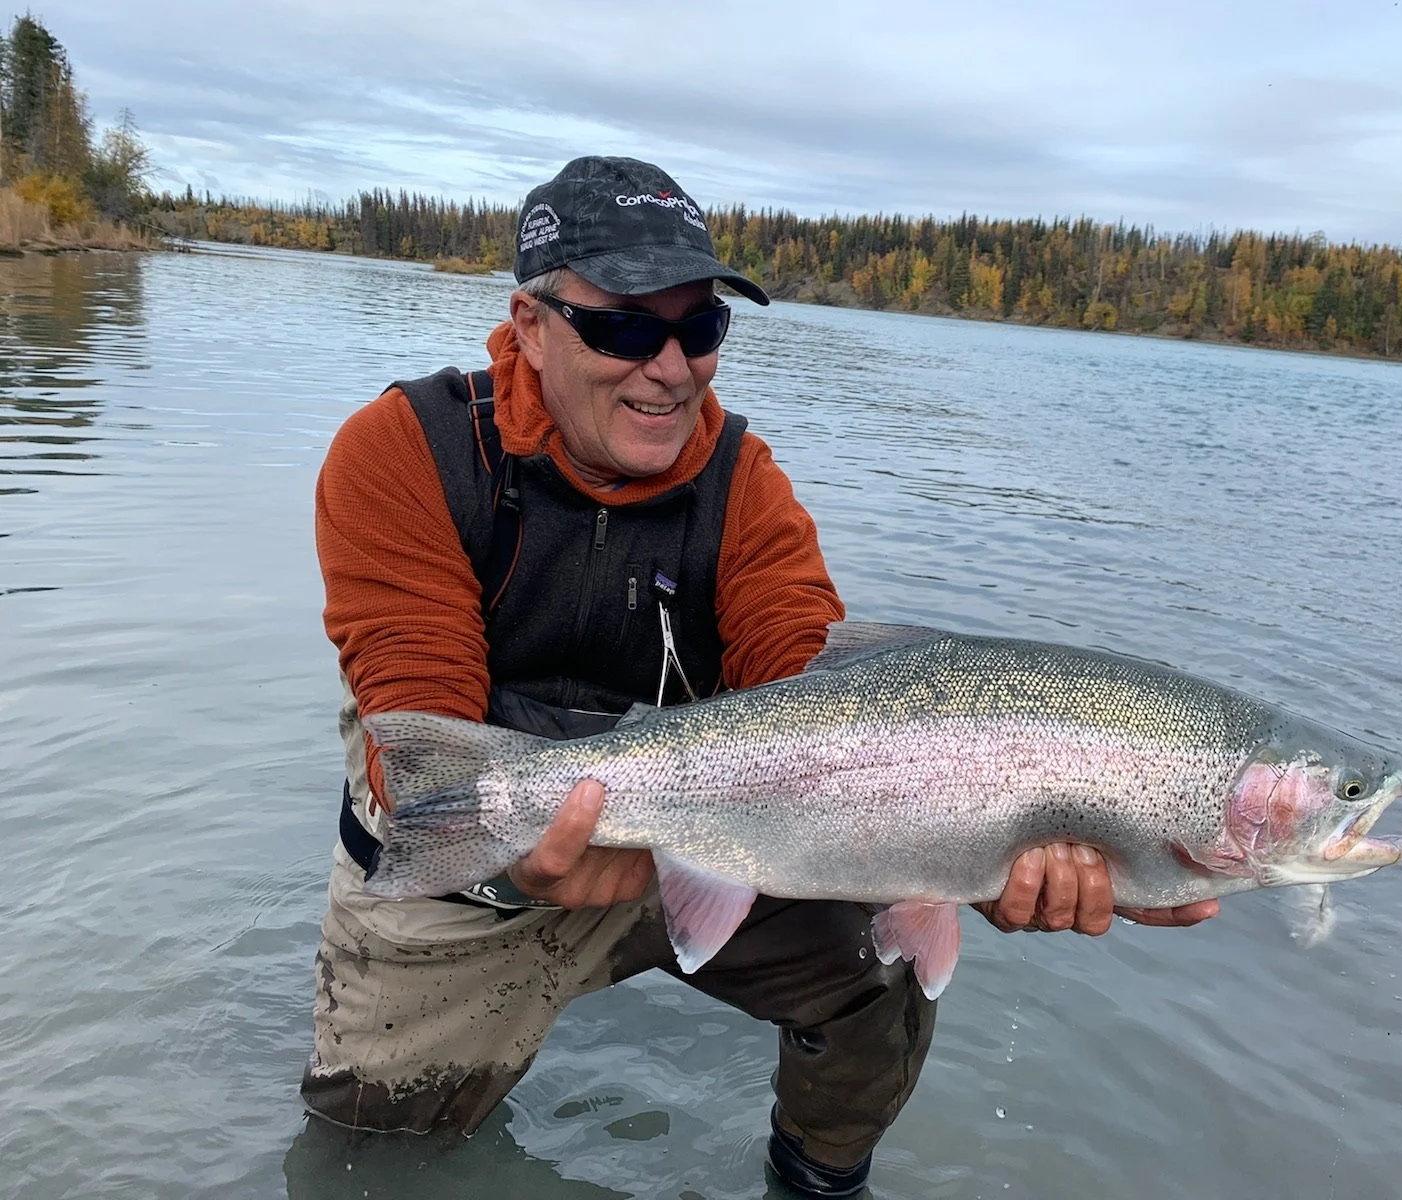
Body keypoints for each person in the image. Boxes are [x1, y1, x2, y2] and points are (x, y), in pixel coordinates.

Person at [302, 155, 1218, 1198]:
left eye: (700, 329)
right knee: (367, 1157)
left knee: (883, 978)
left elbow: (816, 692)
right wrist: (508, 860)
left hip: (724, 828)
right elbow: (417, 738)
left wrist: (979, 844)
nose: (671, 368)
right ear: (528, 321)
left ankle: (815, 1182)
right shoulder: (404, 451)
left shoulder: (745, 484)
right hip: (470, 867)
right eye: (625, 328)